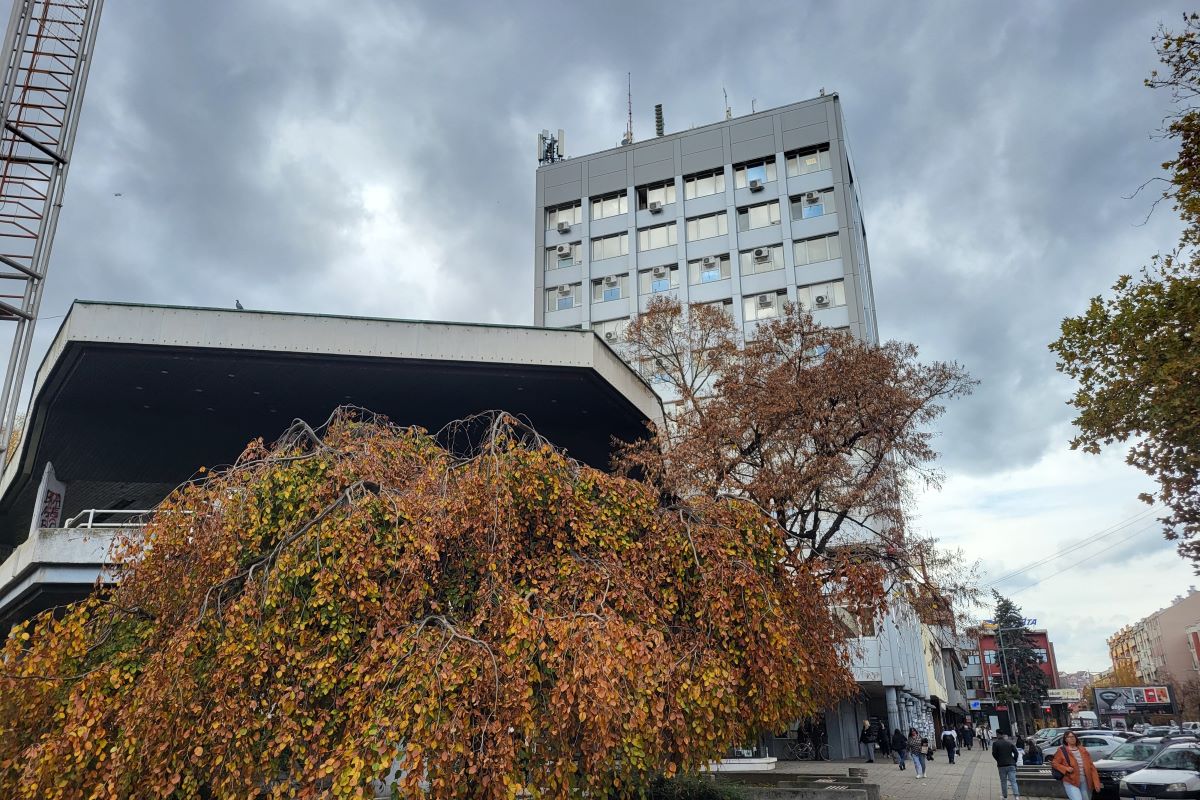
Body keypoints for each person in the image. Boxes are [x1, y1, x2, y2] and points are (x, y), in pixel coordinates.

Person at [1050, 730, 1101, 800]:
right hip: (1070, 781)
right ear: (1065, 739)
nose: (1072, 738)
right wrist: (1065, 768)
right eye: (1069, 737)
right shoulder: (1061, 751)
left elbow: (1092, 767)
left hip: (1085, 781)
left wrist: (1096, 783)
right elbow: (1054, 763)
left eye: (1073, 736)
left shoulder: (1083, 750)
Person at [992, 732, 1021, 800]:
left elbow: (994, 754)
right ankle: (1016, 796)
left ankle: (1005, 796)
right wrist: (1014, 760)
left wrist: (998, 760)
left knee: (1003, 781)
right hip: (1011, 764)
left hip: (1002, 765)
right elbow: (1016, 752)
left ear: (998, 735)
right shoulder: (1009, 743)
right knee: (1013, 781)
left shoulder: (995, 743)